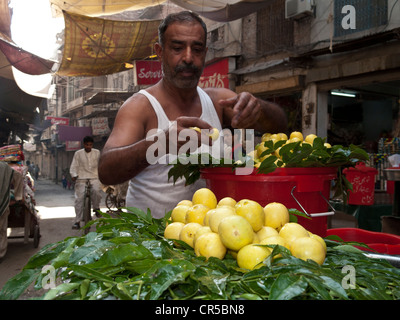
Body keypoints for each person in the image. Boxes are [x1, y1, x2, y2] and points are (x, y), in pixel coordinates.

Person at [98, 11, 287, 218]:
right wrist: (160, 142)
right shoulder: (140, 106)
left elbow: (279, 125)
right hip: (152, 242)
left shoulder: (219, 101)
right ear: (160, 52)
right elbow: (106, 171)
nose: (188, 57)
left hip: (212, 238)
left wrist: (258, 108)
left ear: (205, 53)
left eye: (196, 49)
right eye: (177, 48)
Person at [70, 136, 102, 229]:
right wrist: (74, 175)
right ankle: (77, 221)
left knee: (96, 191)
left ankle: (96, 208)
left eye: (90, 145)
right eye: (87, 144)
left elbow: (100, 164)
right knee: (79, 199)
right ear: (84, 144)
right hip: (81, 178)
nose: (89, 146)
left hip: (94, 177)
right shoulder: (78, 153)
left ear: (92, 145)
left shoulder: (97, 152)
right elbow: (74, 165)